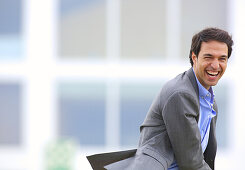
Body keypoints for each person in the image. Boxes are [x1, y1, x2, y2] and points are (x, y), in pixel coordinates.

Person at [87, 27, 234, 170]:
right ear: (194, 57)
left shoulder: (209, 102)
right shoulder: (181, 94)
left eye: (222, 58)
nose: (215, 65)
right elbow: (191, 163)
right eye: (208, 57)